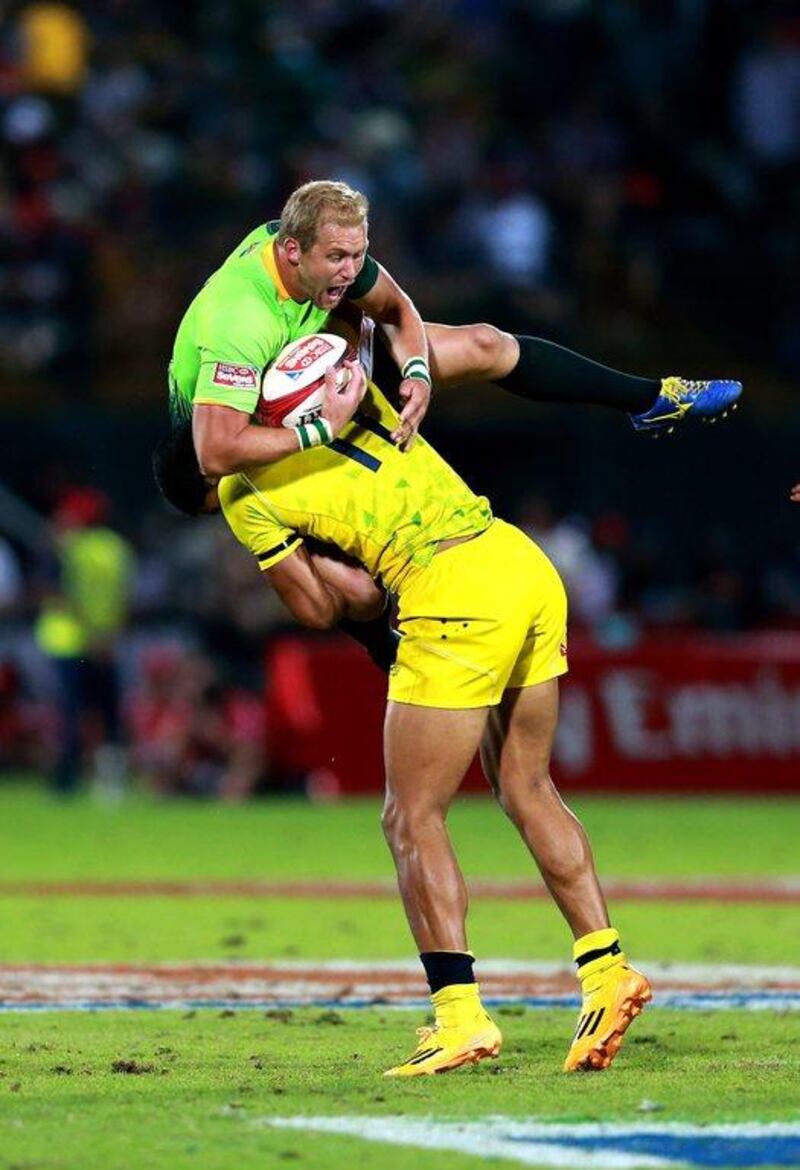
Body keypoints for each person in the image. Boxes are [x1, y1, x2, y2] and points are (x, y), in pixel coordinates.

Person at [172, 343, 652, 1078]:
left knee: (410, 816)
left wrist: (324, 566)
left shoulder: (241, 491)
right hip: (516, 559)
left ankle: (459, 1018)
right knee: (528, 787)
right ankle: (606, 970)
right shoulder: (346, 398)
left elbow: (323, 606)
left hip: (450, 590)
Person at [164, 178, 742, 487]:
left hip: (305, 366)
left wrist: (416, 372)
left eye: (357, 255)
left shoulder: (323, 254)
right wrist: (322, 429)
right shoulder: (241, 317)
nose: (350, 269)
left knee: (487, 343)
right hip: (225, 430)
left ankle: (653, 399)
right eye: (337, 257)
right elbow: (214, 453)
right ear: (292, 251)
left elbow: (396, 309)